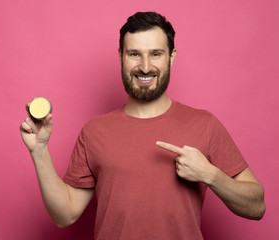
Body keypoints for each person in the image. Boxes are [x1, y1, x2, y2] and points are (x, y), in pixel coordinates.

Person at [20, 11, 265, 240]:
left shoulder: (205, 124)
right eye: (134, 54)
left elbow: (257, 207)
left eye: (156, 54)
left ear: (172, 57)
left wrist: (211, 175)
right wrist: (39, 151)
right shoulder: (94, 131)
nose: (145, 67)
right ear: (121, 56)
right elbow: (65, 215)